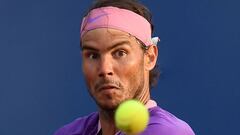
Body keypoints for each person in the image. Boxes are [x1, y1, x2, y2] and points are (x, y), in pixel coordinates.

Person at [54, 0, 195, 134]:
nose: (104, 69)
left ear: (150, 57)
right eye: (93, 55)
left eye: (120, 53)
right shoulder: (69, 132)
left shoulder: (169, 132)